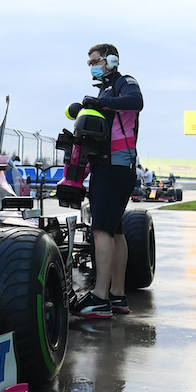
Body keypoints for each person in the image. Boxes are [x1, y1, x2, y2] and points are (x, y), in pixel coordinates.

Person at [72, 44, 144, 319]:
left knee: (101, 229)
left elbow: (136, 102)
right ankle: (117, 295)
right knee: (115, 231)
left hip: (116, 165)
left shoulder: (124, 83)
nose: (91, 65)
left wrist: (102, 103)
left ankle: (100, 297)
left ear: (111, 60)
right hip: (111, 165)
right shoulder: (105, 90)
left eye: (95, 60)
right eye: (89, 61)